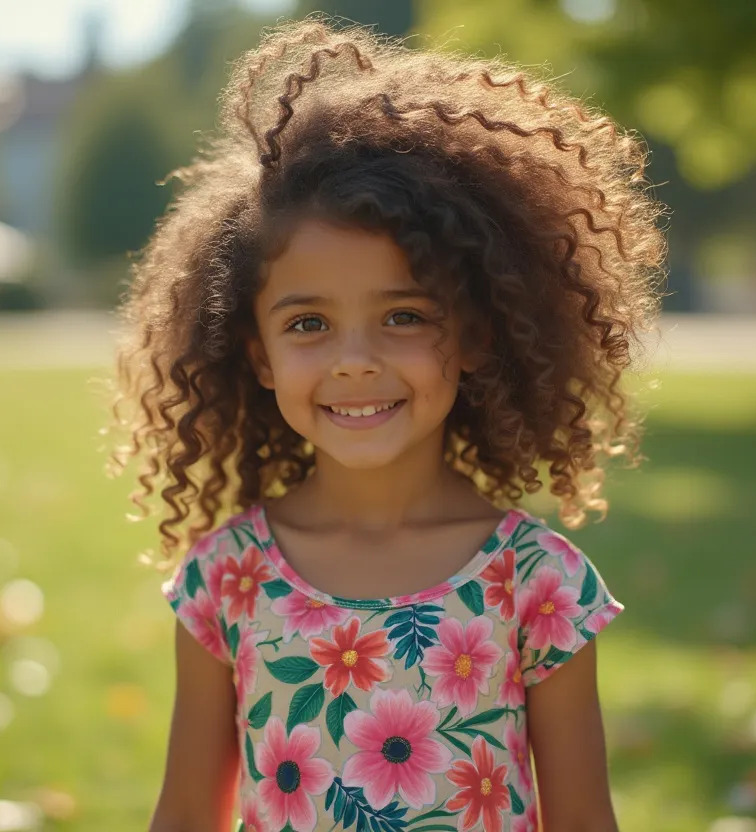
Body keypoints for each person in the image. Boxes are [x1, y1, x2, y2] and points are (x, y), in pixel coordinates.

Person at [107, 14, 666, 832]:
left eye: (403, 316)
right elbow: (188, 812)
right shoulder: (227, 580)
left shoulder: (538, 585)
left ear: (474, 334)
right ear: (258, 357)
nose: (355, 360)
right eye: (308, 325)